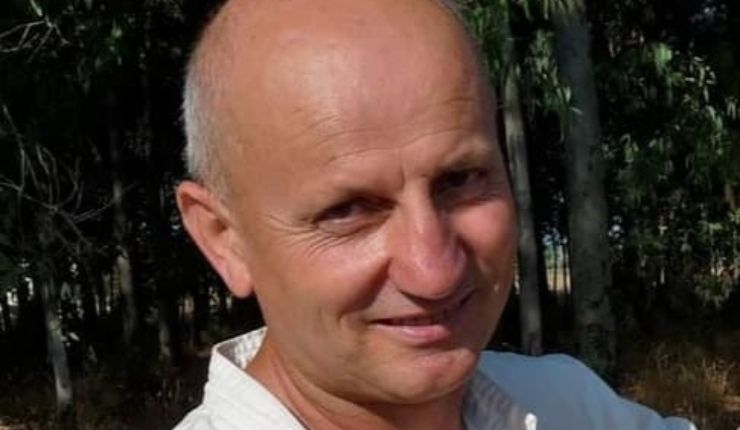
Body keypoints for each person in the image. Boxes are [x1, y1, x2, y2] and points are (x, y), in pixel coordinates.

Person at [173, 0, 696, 428]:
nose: (434, 272)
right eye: (348, 211)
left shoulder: (567, 404)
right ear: (223, 239)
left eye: (461, 180)